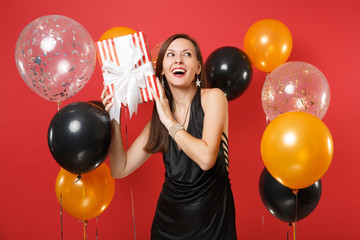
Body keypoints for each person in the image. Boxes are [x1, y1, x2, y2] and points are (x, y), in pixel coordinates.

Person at [101, 33, 237, 239]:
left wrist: (170, 123)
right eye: (171, 55)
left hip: (214, 223)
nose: (178, 60)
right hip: (167, 225)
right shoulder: (159, 121)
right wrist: (115, 116)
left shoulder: (213, 98)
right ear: (162, 70)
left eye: (187, 54)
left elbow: (207, 159)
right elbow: (120, 169)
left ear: (198, 68)